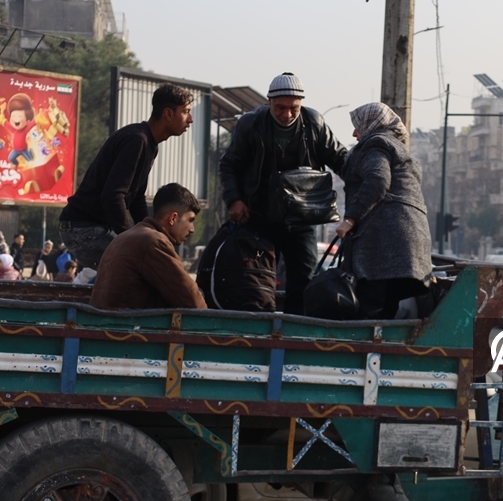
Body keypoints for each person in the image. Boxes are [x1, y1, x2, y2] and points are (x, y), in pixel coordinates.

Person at [218, 73, 348, 314]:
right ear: (269, 102)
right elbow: (229, 165)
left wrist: (365, 177)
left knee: (305, 280)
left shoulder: (315, 123)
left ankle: (296, 333)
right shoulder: (250, 124)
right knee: (254, 280)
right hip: (258, 217)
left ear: (301, 104)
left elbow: (340, 159)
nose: (287, 114)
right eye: (280, 108)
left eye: (293, 108)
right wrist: (234, 200)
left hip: (302, 219)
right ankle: (257, 334)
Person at [59, 84, 194, 270]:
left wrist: (151, 233)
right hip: (82, 229)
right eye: (186, 112)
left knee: (148, 259)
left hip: (95, 228)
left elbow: (136, 198)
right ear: (168, 114)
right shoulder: (136, 140)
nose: (191, 119)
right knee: (143, 265)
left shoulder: (149, 144)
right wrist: (133, 239)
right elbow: (113, 196)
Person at [334, 102, 431, 319]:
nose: (354, 133)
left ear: (371, 124)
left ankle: (366, 352)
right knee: (386, 307)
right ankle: (378, 350)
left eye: (358, 126)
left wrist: (350, 219)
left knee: (370, 308)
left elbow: (377, 180)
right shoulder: (396, 147)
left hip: (383, 243)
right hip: (401, 244)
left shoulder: (376, 145)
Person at [90, 183, 207, 310]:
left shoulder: (126, 237)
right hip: (126, 327)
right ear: (173, 218)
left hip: (108, 324)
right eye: (190, 220)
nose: (192, 229)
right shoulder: (154, 242)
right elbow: (192, 301)